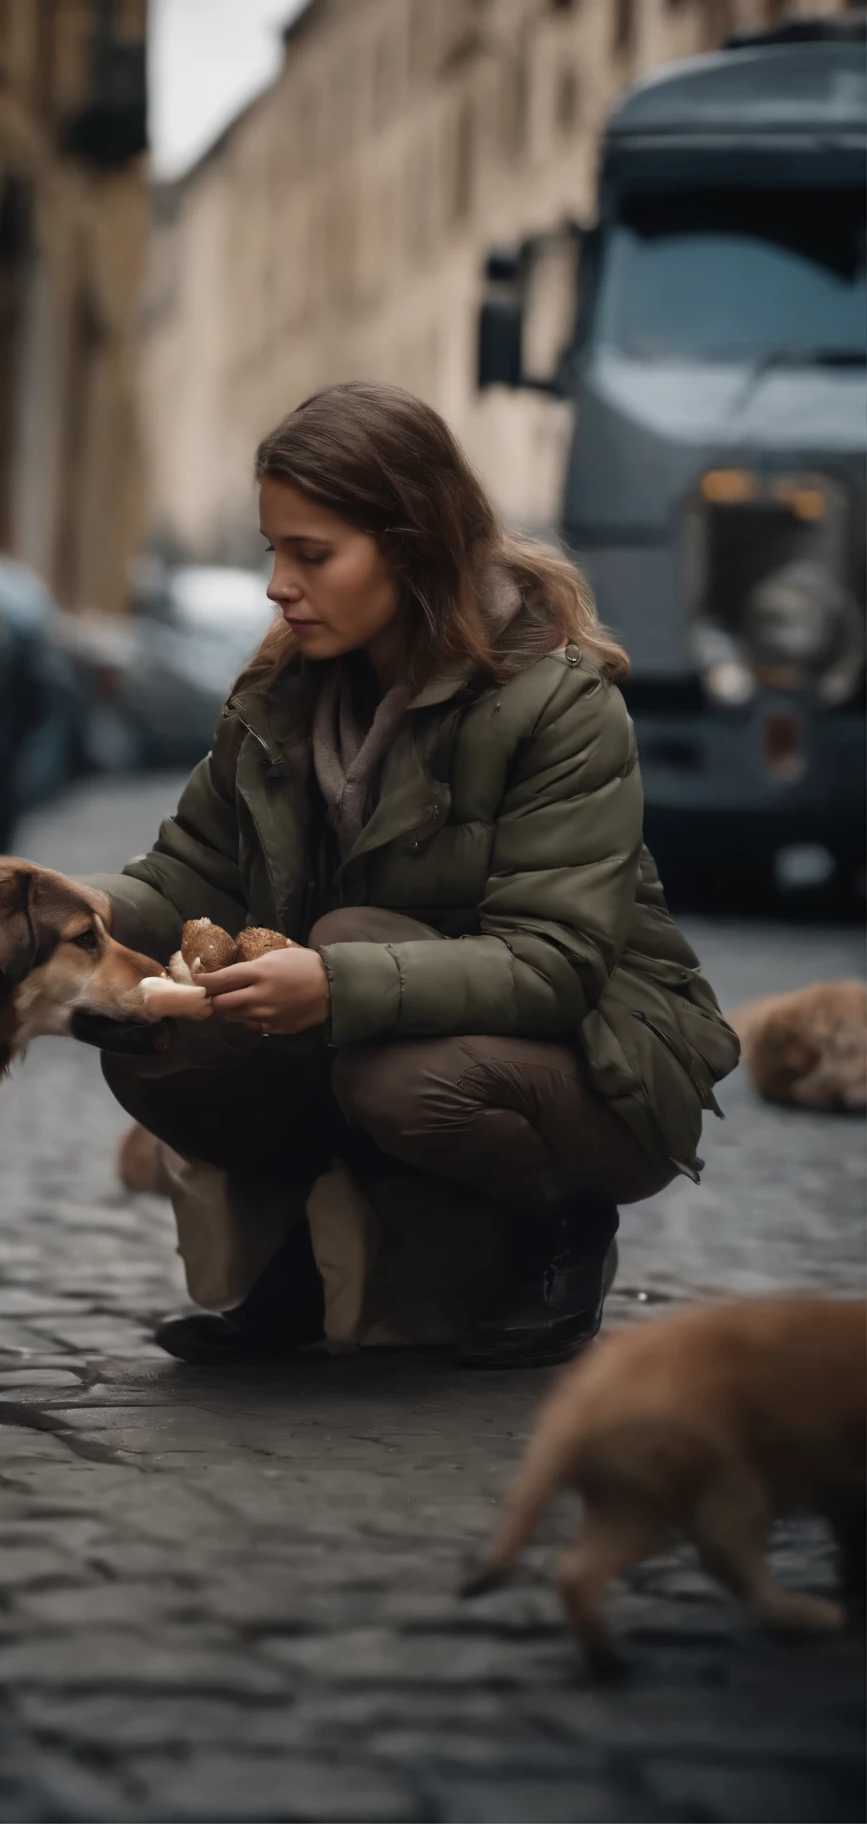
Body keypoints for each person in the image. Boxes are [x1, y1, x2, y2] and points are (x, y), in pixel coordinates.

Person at [86, 383, 739, 1368]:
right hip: (382, 1036)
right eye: (274, 550)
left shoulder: (558, 707)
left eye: (312, 554)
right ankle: (322, 1244)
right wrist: (53, 913)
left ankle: (558, 1235)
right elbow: (187, 875)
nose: (277, 585)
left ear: (412, 544)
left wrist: (335, 986)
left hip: (592, 1067)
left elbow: (557, 961)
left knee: (371, 1003)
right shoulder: (279, 698)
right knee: (150, 1041)